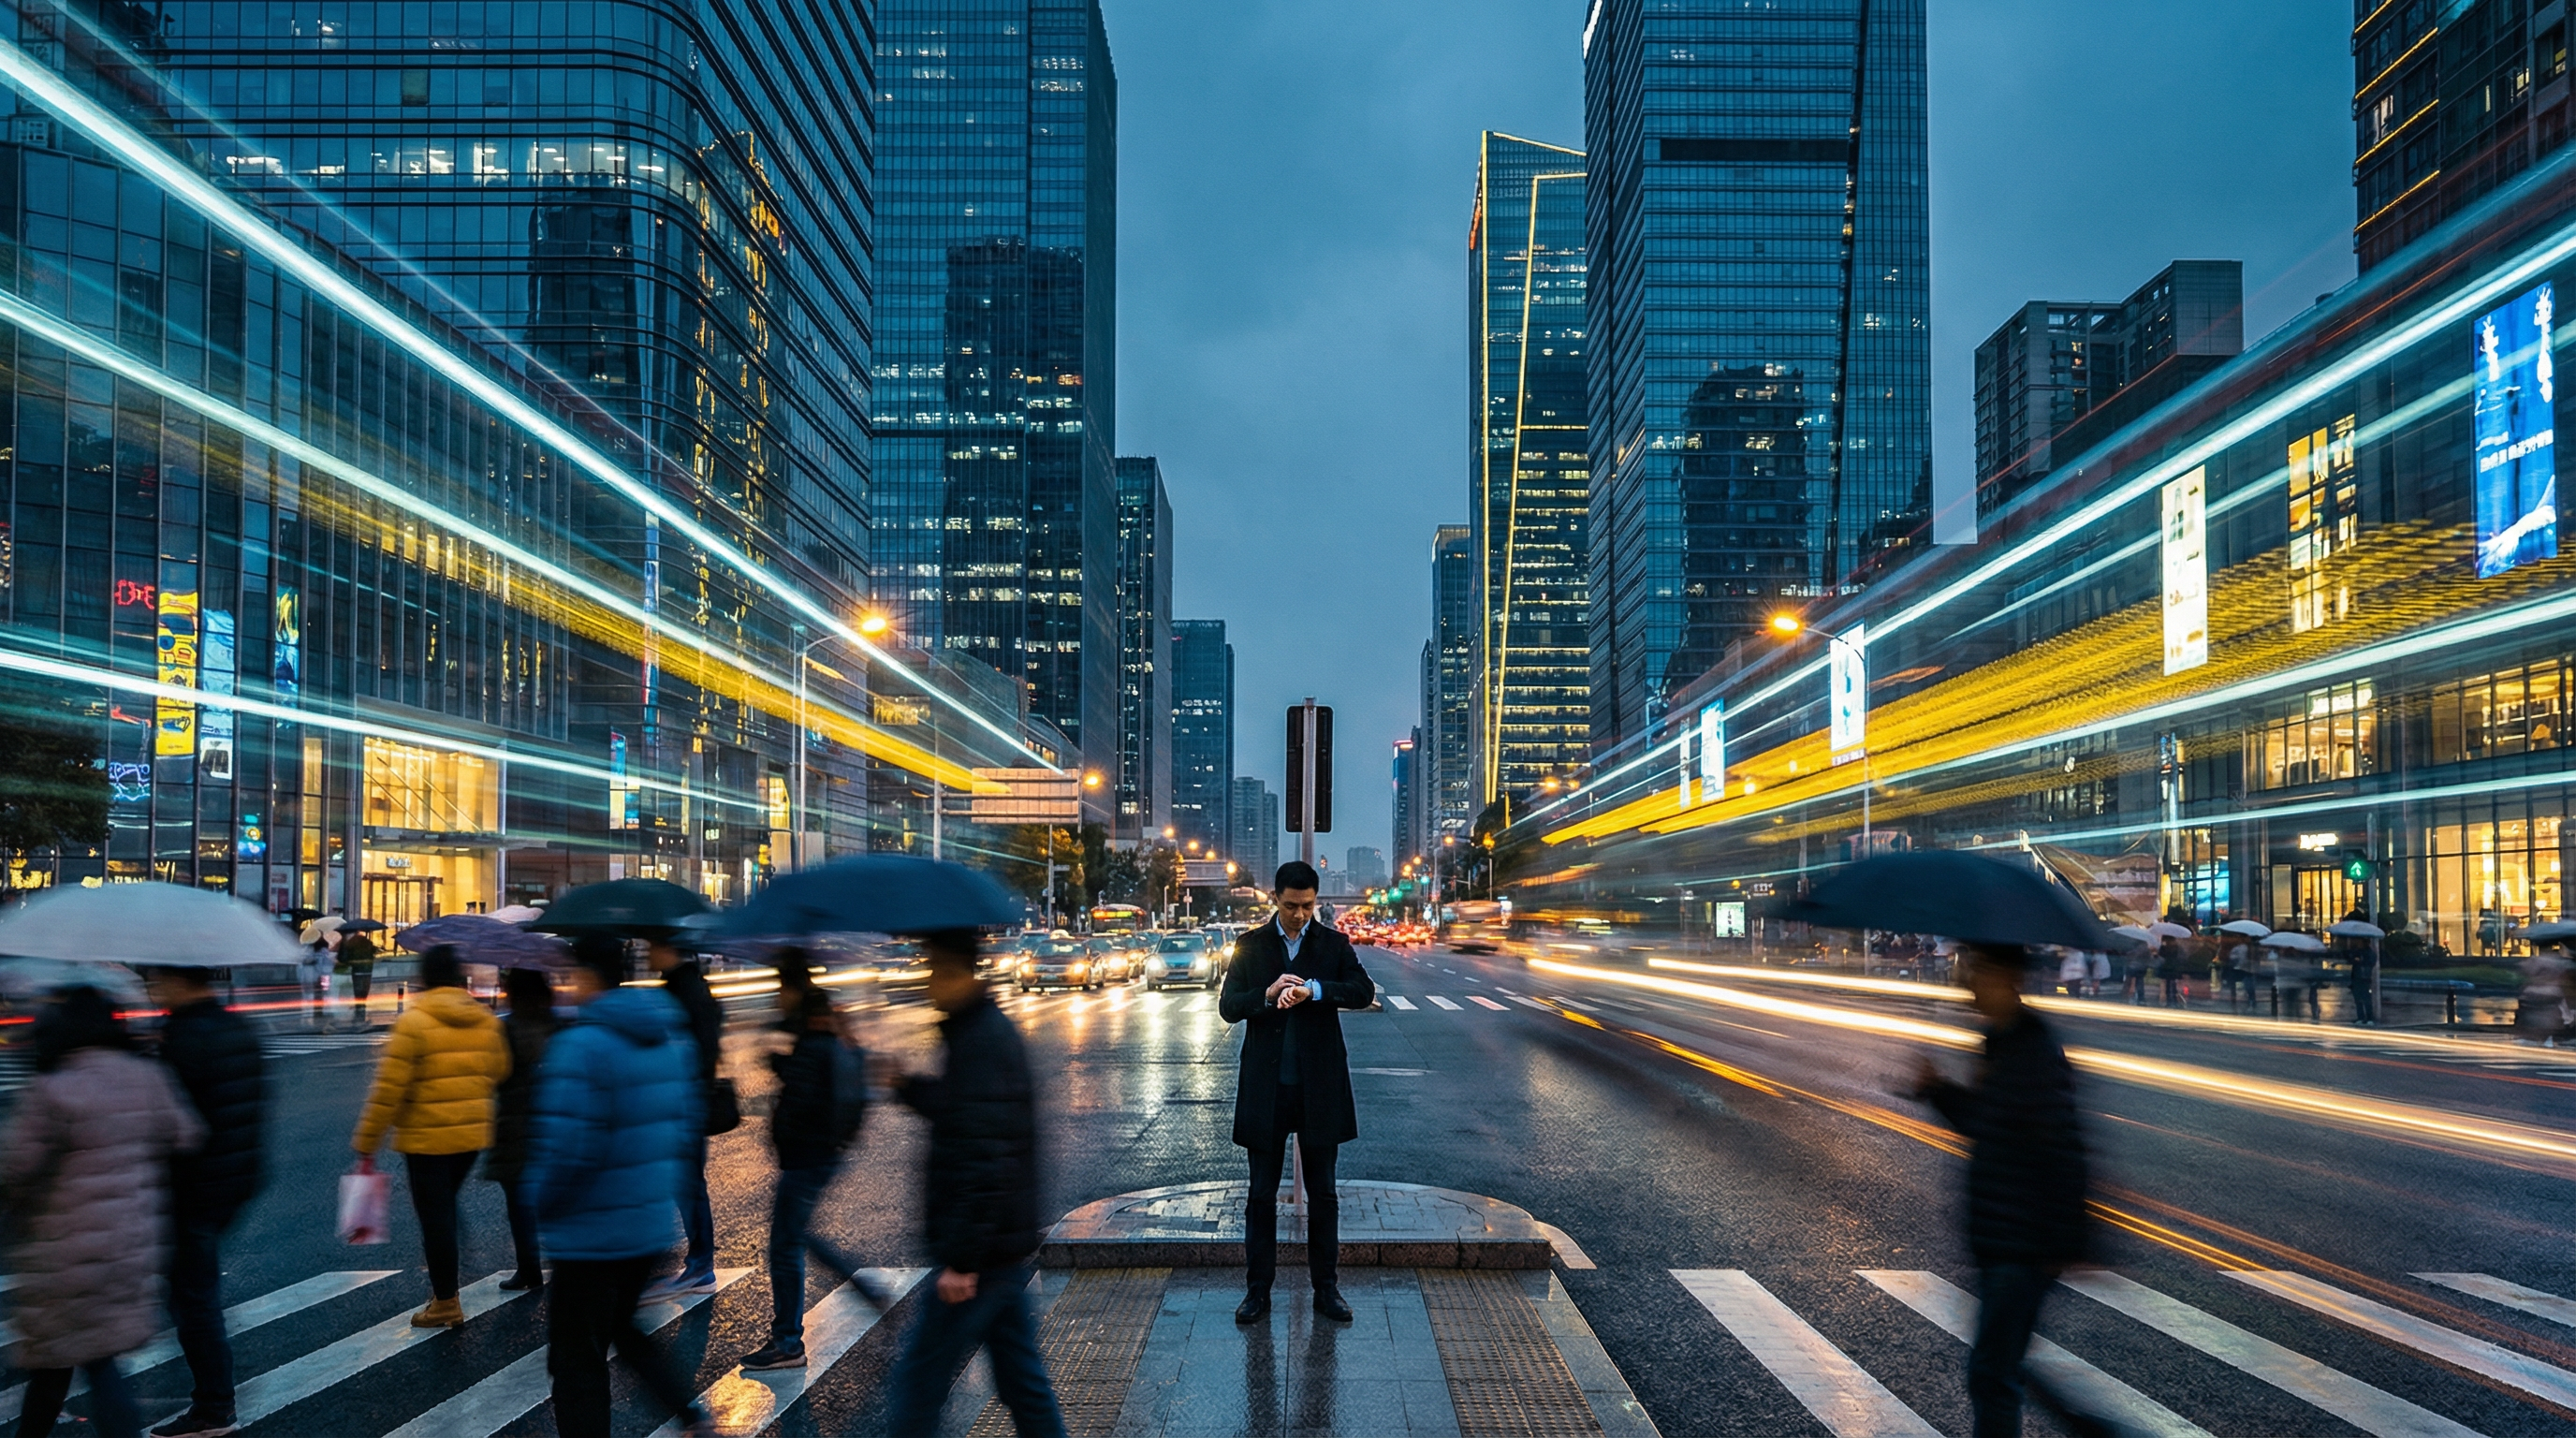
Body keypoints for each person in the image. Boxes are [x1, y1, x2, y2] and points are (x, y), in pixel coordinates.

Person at [1911, 946, 2106, 1438]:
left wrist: (2066, 1238)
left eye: (1977, 975)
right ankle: (2093, 1430)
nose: (1968, 987)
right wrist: (1937, 1088)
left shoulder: (2031, 1049)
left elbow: (2060, 1144)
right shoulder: (2000, 1041)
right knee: (2002, 1362)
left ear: (2008, 979)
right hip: (2003, 1230)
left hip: (2025, 1235)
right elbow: (1988, 1123)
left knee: (1993, 1371)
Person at [525, 934, 712, 1438]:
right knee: (623, 1331)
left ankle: (690, 1420)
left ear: (585, 975)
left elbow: (567, 1148)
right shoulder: (669, 1035)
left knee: (575, 1362)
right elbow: (683, 1123)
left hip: (590, 1232)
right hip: (646, 1226)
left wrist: (539, 1203)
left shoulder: (580, 1044)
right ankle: (693, 1418)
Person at [880, 932, 1064, 1438]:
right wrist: (905, 1086)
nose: (925, 981)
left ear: (953, 971)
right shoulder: (975, 1033)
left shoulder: (981, 1039)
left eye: (931, 969)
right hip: (998, 1243)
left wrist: (962, 1259)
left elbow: (987, 1152)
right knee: (1022, 1384)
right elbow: (966, 1116)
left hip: (980, 1252)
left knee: (920, 1383)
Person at [0, 987, 205, 1438]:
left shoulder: (54, 1086)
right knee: (91, 1359)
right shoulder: (145, 1076)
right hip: (130, 1244)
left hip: (64, 1250)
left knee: (63, 1360)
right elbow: (186, 1134)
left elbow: (15, 1170)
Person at [1218, 859, 1375, 1326]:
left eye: (1308, 906)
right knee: (1260, 1195)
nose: (1300, 915)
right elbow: (1228, 1007)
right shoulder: (1251, 946)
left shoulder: (1333, 944)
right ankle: (1256, 1293)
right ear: (1276, 899)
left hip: (1319, 1088)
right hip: (1267, 1089)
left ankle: (1326, 1290)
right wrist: (1267, 996)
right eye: (1291, 906)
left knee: (1325, 1195)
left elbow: (1363, 991)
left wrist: (1316, 990)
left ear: (1317, 901)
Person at [349, 945, 509, 1328]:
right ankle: (446, 1287)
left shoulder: (415, 1022)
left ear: (424, 978)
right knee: (443, 1210)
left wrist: (366, 1143)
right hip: (472, 1135)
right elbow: (500, 1069)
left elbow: (388, 1090)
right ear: (460, 978)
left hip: (425, 1138)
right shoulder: (485, 1020)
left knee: (435, 1217)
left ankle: (446, 1302)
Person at [737, 952, 878, 1371]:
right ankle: (862, 1287)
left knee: (785, 1245)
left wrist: (779, 1067)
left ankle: (787, 1342)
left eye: (779, 989)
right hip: (819, 1153)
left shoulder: (810, 1034)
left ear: (791, 989)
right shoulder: (818, 1026)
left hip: (806, 1156)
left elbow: (803, 1096)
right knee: (795, 1237)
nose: (775, 997)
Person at [143, 965, 268, 1438]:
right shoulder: (237, 1026)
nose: (150, 987)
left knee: (194, 1299)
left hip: (190, 1186)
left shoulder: (181, 1037)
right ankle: (213, 1400)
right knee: (195, 1292)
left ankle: (214, 1408)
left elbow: (166, 1123)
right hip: (232, 1181)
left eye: (154, 979)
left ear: (176, 980)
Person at [638, 934, 724, 1303]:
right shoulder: (691, 987)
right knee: (681, 1184)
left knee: (685, 1185)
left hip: (681, 1101)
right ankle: (694, 1261)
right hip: (686, 1099)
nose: (646, 951)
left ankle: (700, 1264)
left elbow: (687, 1050)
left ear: (668, 948)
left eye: (651, 945)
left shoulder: (681, 992)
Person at [488, 965, 560, 1292]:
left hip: (516, 1126)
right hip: (554, 1122)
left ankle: (528, 1268)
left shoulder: (505, 1030)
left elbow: (495, 1076)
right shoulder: (559, 1025)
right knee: (557, 1200)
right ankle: (565, 1263)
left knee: (519, 1204)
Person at [337, 928, 378, 1030]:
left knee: (358, 995)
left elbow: (343, 958)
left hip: (357, 972)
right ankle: (361, 1017)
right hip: (368, 971)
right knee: (363, 996)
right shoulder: (366, 941)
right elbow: (374, 952)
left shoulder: (349, 943)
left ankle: (358, 1018)